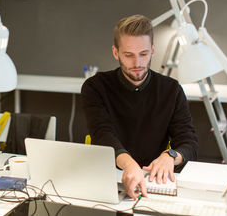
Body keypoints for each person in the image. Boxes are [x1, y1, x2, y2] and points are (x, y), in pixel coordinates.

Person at [81, 15, 198, 200]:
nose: (137, 64)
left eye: (143, 54)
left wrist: (170, 156)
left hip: (153, 181)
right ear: (115, 52)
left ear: (152, 50)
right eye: (128, 55)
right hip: (107, 179)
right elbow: (102, 134)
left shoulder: (171, 90)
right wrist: (129, 165)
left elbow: (188, 142)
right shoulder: (95, 87)